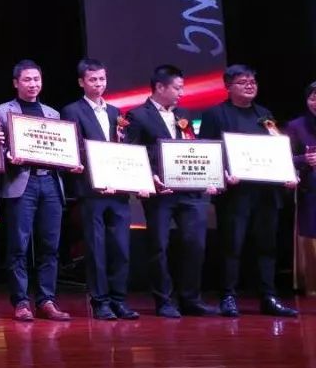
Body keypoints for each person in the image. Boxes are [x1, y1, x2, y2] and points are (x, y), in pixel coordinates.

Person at [197, 64, 298, 317]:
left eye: (253, 81)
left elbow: (277, 147)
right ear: (228, 86)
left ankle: (268, 296)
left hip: (267, 192)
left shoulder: (263, 114)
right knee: (232, 246)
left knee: (267, 246)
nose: (250, 86)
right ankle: (228, 296)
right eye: (243, 82)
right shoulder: (215, 114)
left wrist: (288, 173)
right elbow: (207, 151)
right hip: (236, 193)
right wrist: (222, 174)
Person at [123, 64, 217, 318]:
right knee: (159, 246)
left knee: (194, 243)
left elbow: (191, 148)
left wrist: (208, 176)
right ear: (160, 87)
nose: (181, 93)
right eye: (177, 88)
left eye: (182, 88)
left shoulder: (183, 113)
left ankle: (191, 299)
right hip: (160, 193)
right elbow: (131, 153)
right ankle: (163, 300)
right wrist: (149, 177)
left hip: (190, 191)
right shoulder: (138, 115)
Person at [0, 60, 72, 322]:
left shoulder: (53, 114)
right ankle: (21, 301)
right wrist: (7, 154)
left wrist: (71, 160)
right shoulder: (2, 112)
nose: (33, 84)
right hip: (21, 183)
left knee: (50, 245)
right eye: (27, 79)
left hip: (50, 182)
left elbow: (61, 148)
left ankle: (47, 300)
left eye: (37, 79)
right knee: (19, 245)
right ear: (16, 83)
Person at [59, 58, 140, 320]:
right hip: (91, 190)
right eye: (92, 79)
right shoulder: (72, 111)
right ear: (81, 82)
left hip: (118, 190)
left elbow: (124, 149)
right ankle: (100, 301)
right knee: (95, 248)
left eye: (102, 79)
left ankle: (119, 300)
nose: (98, 84)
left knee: (121, 247)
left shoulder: (116, 112)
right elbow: (73, 147)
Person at [286, 81, 316, 297]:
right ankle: (312, 285)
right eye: (313, 98)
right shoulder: (296, 126)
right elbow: (284, 158)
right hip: (310, 189)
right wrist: (304, 159)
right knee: (311, 236)